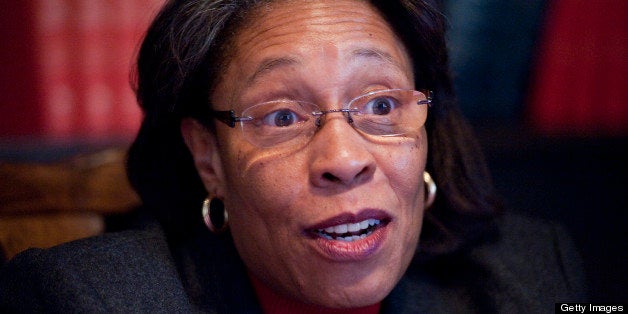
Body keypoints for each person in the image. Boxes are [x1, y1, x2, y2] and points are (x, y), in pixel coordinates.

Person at [0, 0, 585, 312]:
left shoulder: (529, 275)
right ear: (209, 158)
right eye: (282, 117)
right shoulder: (88, 299)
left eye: (380, 105)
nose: (344, 158)